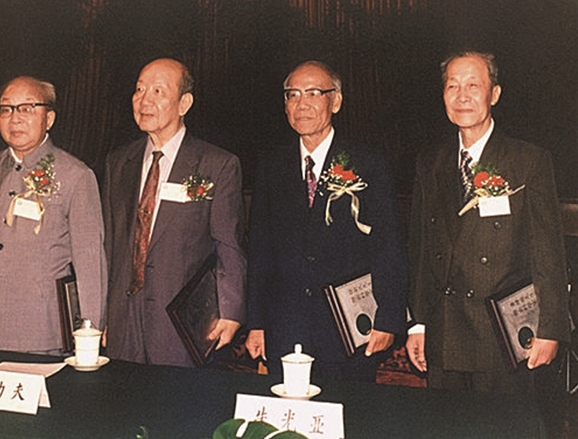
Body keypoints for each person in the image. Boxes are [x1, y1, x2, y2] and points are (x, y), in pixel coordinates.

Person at [406, 51, 570, 394]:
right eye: (452, 86)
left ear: (494, 94)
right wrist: (417, 323)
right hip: (443, 332)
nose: (462, 96)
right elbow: (420, 250)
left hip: (502, 336)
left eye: (473, 85)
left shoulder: (528, 161)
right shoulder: (430, 162)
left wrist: (550, 328)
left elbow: (548, 253)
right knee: (444, 421)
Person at [245, 60, 409, 382]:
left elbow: (388, 245)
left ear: (336, 101)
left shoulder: (369, 162)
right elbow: (260, 250)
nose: (301, 104)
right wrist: (257, 322)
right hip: (284, 329)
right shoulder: (271, 165)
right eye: (292, 95)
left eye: (313, 93)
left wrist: (389, 318)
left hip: (349, 331)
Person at [0, 76, 107, 353]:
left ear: (49, 118)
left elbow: (90, 263)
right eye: (6, 109)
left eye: (27, 108)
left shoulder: (76, 176)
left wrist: (89, 333)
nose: (15, 118)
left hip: (37, 331)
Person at [102, 58, 246, 367]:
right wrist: (100, 314)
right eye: (139, 89)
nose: (145, 100)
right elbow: (110, 245)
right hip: (123, 318)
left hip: (182, 321)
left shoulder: (217, 164)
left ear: (184, 103)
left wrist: (231, 310)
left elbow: (229, 245)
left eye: (158, 91)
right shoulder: (118, 162)